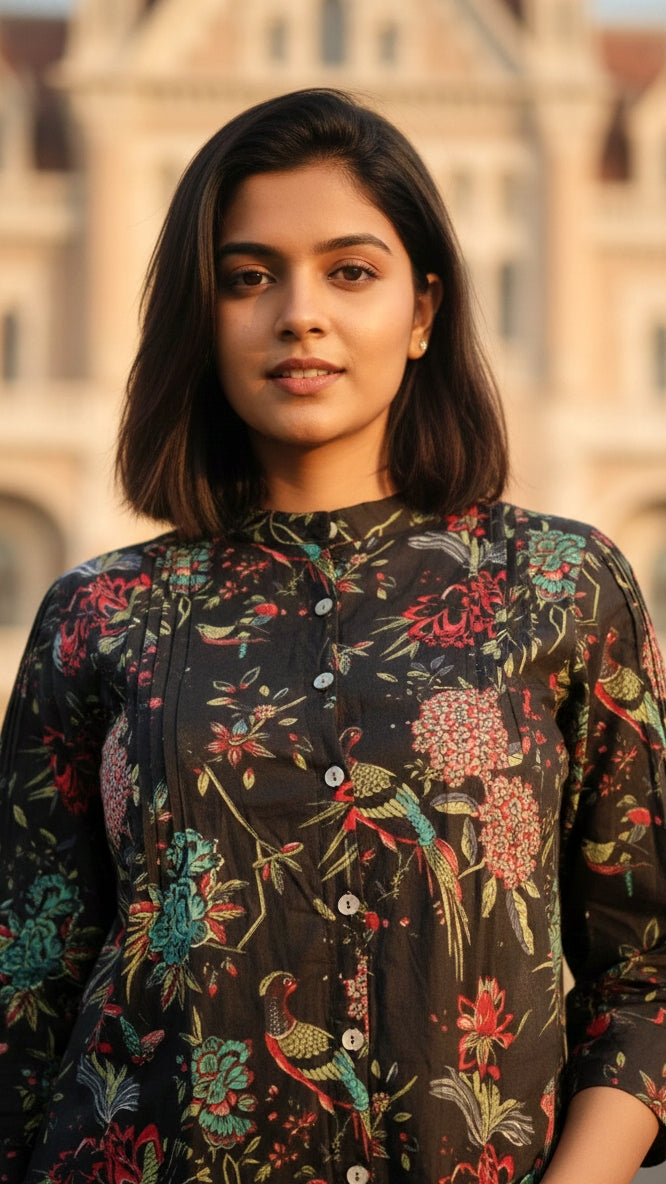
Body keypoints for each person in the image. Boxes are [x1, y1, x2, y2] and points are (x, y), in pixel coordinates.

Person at [0, 88, 665, 1184]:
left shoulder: (559, 587)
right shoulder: (101, 612)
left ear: (422, 311)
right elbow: (25, 978)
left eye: (349, 271)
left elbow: (644, 967)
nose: (298, 312)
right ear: (198, 316)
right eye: (247, 276)